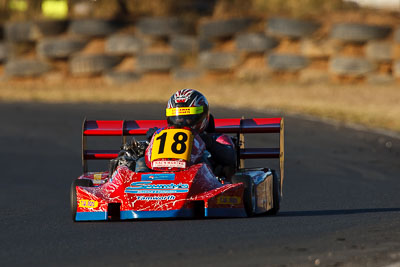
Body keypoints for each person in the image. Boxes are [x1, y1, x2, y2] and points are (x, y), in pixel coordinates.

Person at [113, 89, 237, 181]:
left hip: (196, 178)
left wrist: (208, 142)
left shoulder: (215, 138)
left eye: (189, 117)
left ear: (203, 116)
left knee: (204, 160)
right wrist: (152, 141)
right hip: (158, 172)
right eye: (177, 117)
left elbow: (229, 158)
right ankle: (139, 189)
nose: (181, 121)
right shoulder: (162, 135)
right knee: (140, 162)